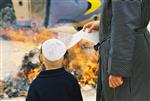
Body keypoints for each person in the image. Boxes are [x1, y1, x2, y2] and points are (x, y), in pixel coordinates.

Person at [83, 0, 150, 101]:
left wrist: (118, 69)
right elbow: (130, 13)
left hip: (127, 51)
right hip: (130, 46)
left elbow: (125, 24)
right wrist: (104, 23)